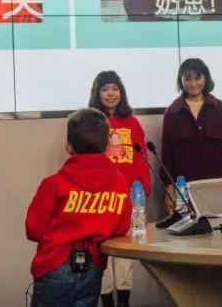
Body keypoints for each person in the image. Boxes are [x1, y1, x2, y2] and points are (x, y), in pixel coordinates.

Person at [26, 108, 131, 307]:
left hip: (55, 265)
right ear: (108, 145)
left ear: (68, 146)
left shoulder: (53, 184)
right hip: (93, 267)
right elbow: (121, 227)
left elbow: (34, 230)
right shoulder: (119, 182)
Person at [88, 71, 150, 307]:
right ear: (97, 93)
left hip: (129, 197)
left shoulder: (132, 122)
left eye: (115, 89)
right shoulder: (90, 123)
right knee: (101, 251)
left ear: (121, 92)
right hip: (100, 198)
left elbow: (141, 157)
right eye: (105, 89)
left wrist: (144, 187)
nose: (111, 94)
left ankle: (124, 302)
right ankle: (107, 302)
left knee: (124, 252)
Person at [160, 58, 222, 213]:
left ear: (206, 78)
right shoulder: (172, 113)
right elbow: (167, 156)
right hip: (186, 190)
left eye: (197, 78)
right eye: (187, 78)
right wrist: (169, 188)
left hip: (220, 186)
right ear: (181, 81)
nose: (193, 84)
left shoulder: (221, 109)